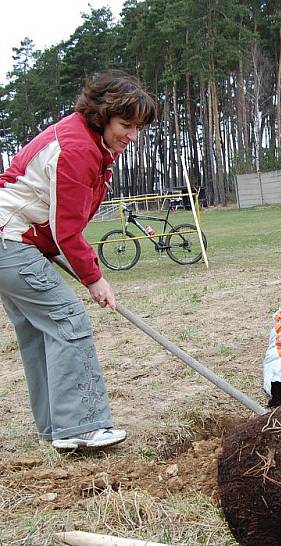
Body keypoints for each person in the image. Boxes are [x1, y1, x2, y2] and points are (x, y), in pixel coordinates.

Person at [0, 71, 156, 449]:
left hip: (13, 239)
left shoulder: (88, 143)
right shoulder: (78, 148)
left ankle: (55, 428)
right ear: (102, 116)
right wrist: (93, 278)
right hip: (10, 239)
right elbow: (67, 230)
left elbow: (58, 224)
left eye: (138, 129)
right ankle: (81, 426)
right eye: (126, 125)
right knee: (68, 321)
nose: (132, 137)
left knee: (40, 333)